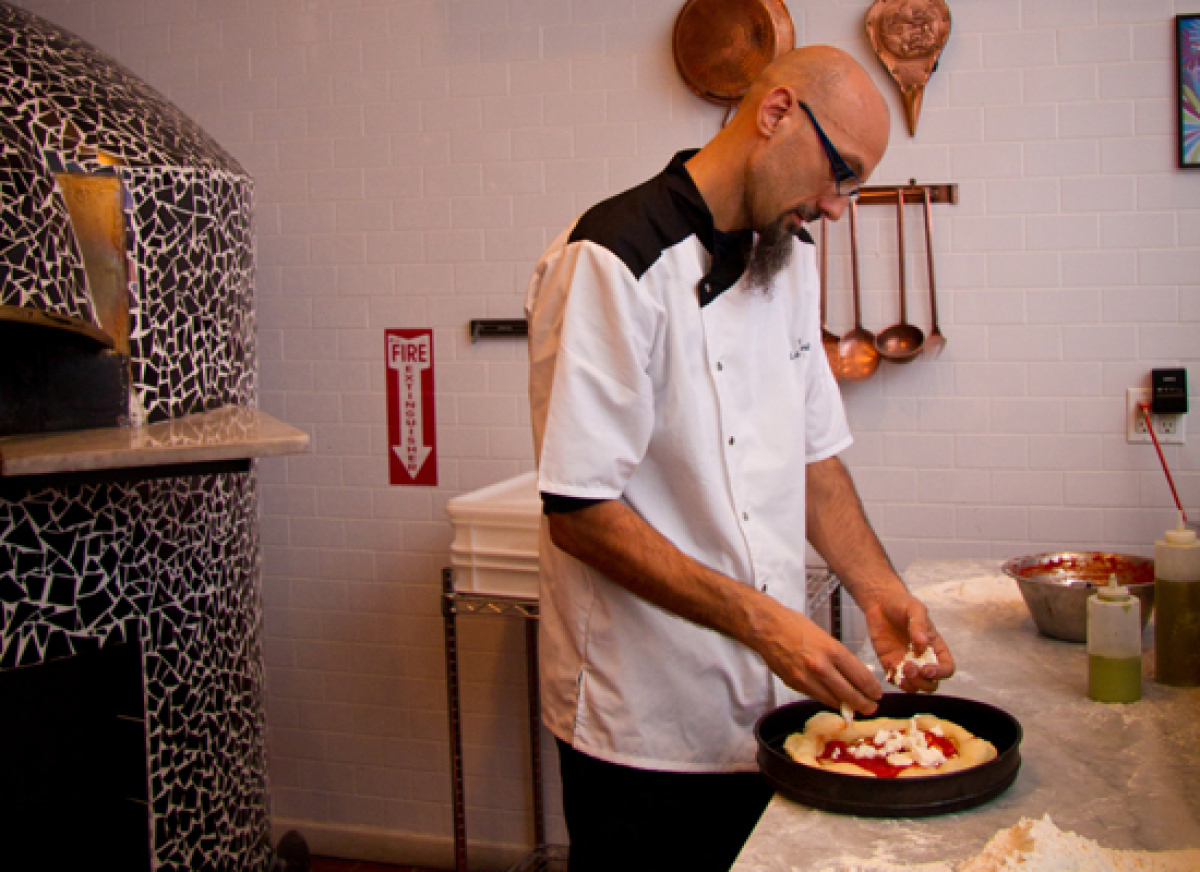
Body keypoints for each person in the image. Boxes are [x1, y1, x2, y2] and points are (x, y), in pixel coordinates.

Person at [524, 45, 954, 872]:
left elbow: (813, 457)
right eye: (841, 174)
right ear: (776, 113)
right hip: (642, 724)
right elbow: (580, 514)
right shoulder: (609, 258)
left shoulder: (786, 255)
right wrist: (766, 624)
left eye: (853, 186)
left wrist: (880, 590)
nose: (836, 208)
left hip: (773, 710)